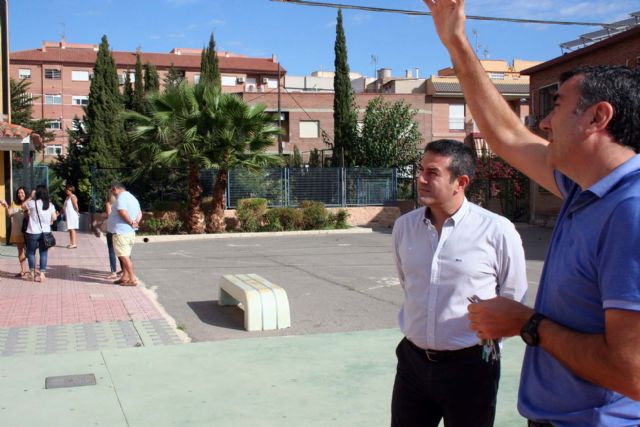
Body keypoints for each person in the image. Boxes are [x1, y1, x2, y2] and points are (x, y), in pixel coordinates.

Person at [424, 1, 640, 425]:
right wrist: (457, 43)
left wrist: (527, 323)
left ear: (598, 117)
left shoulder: (630, 212)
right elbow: (505, 134)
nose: (542, 123)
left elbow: (632, 372)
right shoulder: (584, 189)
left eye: (556, 105)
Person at [391, 139, 527, 427]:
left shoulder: (497, 230)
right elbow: (409, 284)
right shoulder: (405, 227)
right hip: (412, 365)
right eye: (421, 170)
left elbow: (512, 298)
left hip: (471, 369)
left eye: (432, 173)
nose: (421, 179)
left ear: (460, 182)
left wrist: (486, 347)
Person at [107, 182, 141, 286]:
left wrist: (131, 222)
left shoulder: (121, 198)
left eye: (112, 191)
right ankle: (125, 277)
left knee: (123, 256)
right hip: (129, 232)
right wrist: (135, 223)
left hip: (121, 232)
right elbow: (140, 213)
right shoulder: (132, 198)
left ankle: (132, 278)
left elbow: (122, 212)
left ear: (115, 189)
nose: (112, 194)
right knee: (125, 255)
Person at [23, 185, 58, 282]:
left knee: (30, 252)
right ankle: (42, 275)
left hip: (33, 232)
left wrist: (30, 196)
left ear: (37, 193)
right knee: (43, 253)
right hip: (45, 232)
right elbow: (54, 218)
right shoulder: (50, 205)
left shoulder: (32, 203)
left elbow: (23, 205)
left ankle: (32, 274)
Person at [1, 187, 29, 278]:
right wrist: (6, 206)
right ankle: (23, 270)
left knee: (30, 252)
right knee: (20, 251)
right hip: (17, 231)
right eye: (18, 193)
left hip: (29, 232)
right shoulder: (14, 204)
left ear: (26, 193)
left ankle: (32, 270)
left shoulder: (29, 203)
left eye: (22, 192)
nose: (20, 194)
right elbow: (9, 214)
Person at [104, 193, 121, 280]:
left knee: (111, 251)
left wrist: (104, 216)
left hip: (111, 229)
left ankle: (113, 271)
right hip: (120, 229)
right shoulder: (119, 204)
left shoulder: (108, 204)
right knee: (121, 251)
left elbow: (109, 215)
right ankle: (124, 270)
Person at [63, 183, 79, 249]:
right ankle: (71, 242)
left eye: (68, 190)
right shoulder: (67, 197)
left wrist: (77, 212)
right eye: (66, 190)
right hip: (69, 215)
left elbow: (76, 206)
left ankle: (74, 243)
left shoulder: (72, 197)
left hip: (72, 215)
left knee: (72, 229)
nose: (67, 191)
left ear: (71, 190)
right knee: (70, 229)